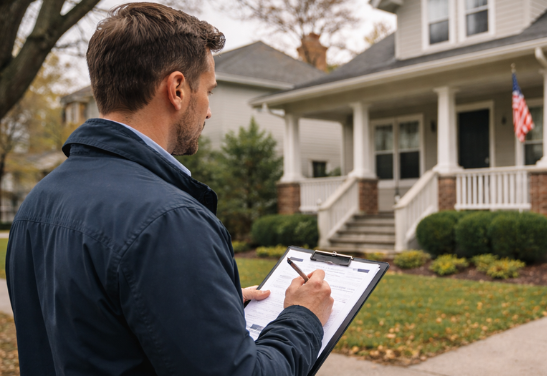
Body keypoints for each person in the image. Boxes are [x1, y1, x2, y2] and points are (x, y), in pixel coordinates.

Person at [5, 3, 334, 375]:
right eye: (208, 90)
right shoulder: (168, 220)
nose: (208, 110)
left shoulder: (38, 202)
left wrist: (209, 311)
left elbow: (93, 331)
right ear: (177, 89)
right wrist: (303, 318)